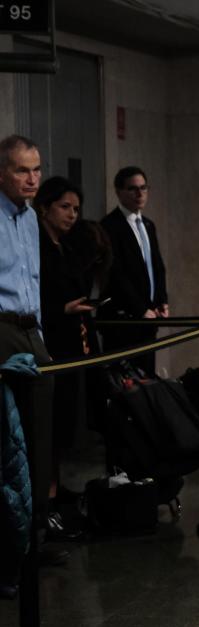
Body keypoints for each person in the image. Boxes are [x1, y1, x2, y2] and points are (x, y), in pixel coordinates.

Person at [0, 135, 62, 597]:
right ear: (2, 172)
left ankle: (35, 539)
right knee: (8, 443)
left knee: (41, 437)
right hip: (1, 330)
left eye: (36, 169)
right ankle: (7, 554)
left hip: (31, 330)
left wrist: (40, 335)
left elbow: (34, 281)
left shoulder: (31, 221)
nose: (32, 178)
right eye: (22, 169)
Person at [35, 176, 92, 542]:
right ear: (46, 207)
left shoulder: (66, 246)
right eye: (64, 207)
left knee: (65, 421)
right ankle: (46, 497)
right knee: (48, 425)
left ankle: (56, 488)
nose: (71, 215)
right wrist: (62, 308)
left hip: (72, 343)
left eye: (75, 209)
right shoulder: (36, 246)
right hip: (49, 340)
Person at [99, 166, 168, 374]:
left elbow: (156, 266)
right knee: (125, 377)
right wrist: (140, 309)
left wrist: (161, 300)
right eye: (133, 189)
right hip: (124, 317)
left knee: (147, 373)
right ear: (119, 192)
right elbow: (116, 274)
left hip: (148, 316)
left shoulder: (147, 224)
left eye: (143, 188)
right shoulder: (109, 226)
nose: (140, 194)